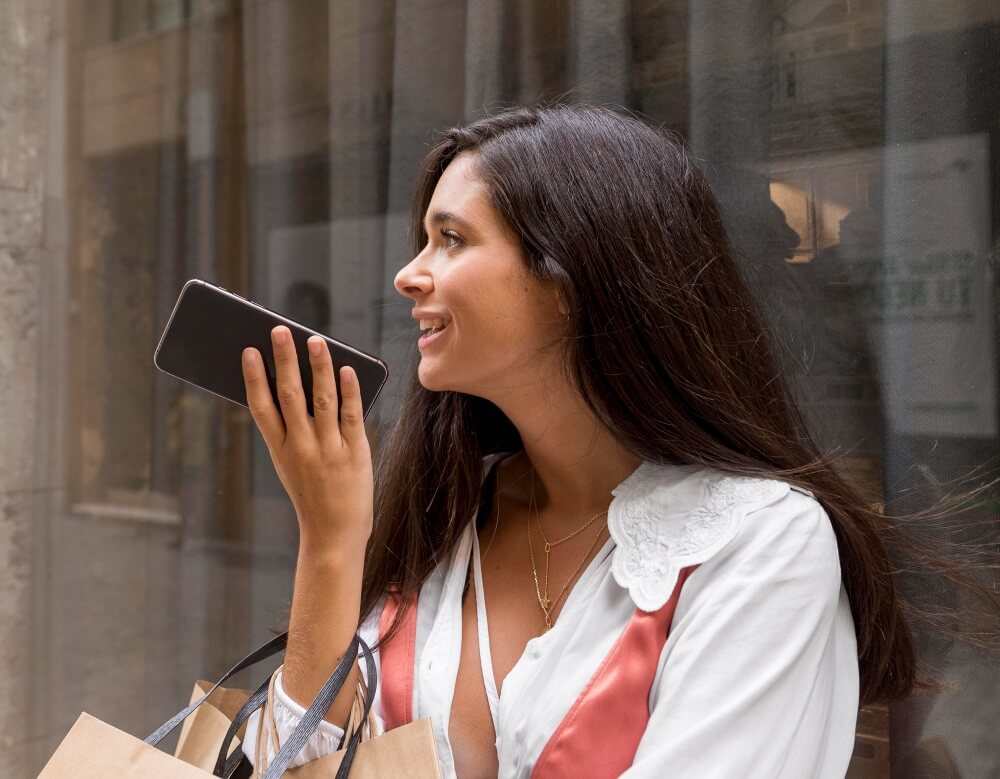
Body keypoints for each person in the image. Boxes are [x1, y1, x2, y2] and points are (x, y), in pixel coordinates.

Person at [239, 104, 913, 777]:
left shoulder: (760, 543)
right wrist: (329, 543)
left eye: (451, 238)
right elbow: (289, 766)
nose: (409, 275)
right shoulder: (452, 512)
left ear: (569, 279)